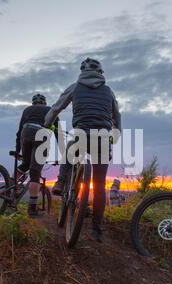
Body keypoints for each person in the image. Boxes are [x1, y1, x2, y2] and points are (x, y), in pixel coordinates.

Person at [44, 57, 121, 242]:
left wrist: (47, 124)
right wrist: (116, 134)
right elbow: (117, 115)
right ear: (101, 73)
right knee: (100, 184)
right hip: (102, 137)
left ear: (82, 72)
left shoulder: (74, 87)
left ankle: (62, 182)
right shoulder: (108, 91)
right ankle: (97, 229)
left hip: (80, 134)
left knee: (70, 150)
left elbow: (56, 108)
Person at [15, 94, 59, 217]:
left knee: (25, 164)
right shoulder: (51, 110)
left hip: (26, 133)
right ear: (44, 103)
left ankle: (12, 186)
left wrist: (18, 151)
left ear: (33, 103)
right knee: (35, 173)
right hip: (41, 135)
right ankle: (33, 210)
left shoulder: (27, 110)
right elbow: (58, 134)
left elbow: (19, 132)